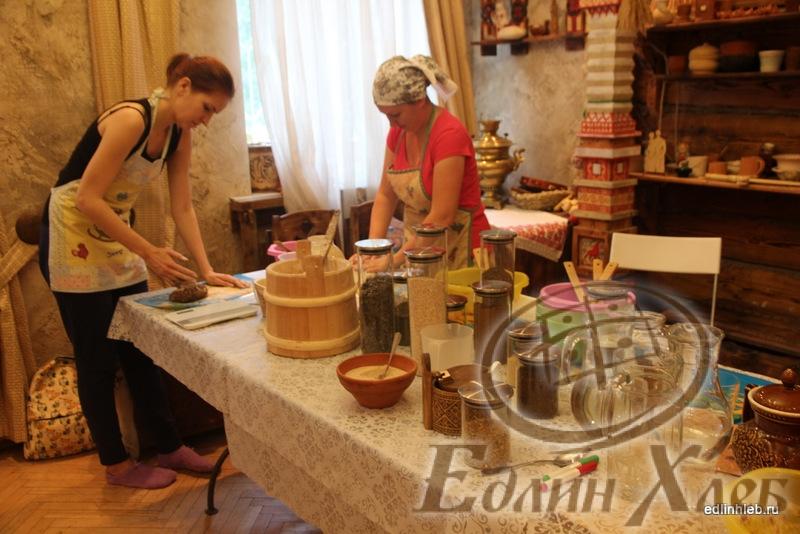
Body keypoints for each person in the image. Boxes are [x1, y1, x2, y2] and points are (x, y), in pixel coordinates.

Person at [38, 53, 248, 489]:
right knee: (97, 360)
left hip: (116, 236)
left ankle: (169, 446)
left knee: (142, 349)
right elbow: (87, 198)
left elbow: (182, 206)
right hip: (72, 235)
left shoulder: (179, 135)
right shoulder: (131, 119)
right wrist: (149, 252)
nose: (207, 120)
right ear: (183, 86)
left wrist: (206, 270)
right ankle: (116, 465)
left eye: (214, 113)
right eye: (207, 108)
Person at [367, 55, 490, 269]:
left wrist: (393, 261)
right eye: (386, 116)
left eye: (396, 115)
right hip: (418, 251)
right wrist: (372, 251)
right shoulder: (397, 134)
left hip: (463, 253)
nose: (391, 124)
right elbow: (385, 196)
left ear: (419, 101)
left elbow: (442, 217)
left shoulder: (449, 135)